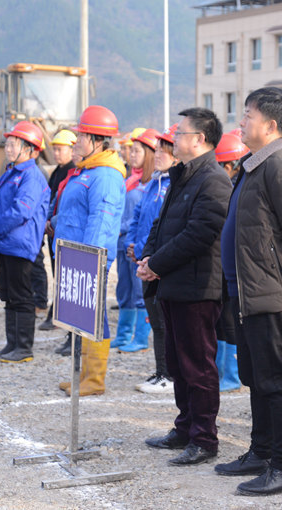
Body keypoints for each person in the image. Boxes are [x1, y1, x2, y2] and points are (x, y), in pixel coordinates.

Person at [211, 87, 282, 495]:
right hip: (249, 290)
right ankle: (260, 451)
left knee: (276, 380)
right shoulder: (254, 165)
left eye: (247, 116)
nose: (241, 123)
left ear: (271, 126)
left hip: (271, 292)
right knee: (256, 377)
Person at [137, 107, 231, 467]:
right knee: (177, 363)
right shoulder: (182, 176)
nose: (173, 139)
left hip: (197, 287)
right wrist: (148, 258)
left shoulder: (213, 180)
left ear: (200, 139)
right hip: (173, 283)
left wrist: (157, 265)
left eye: (179, 133)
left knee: (198, 365)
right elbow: (162, 225)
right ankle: (185, 427)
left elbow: (200, 234)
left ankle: (204, 438)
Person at [53, 105, 126, 396]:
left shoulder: (105, 175)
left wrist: (90, 258)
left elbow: (101, 218)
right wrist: (54, 223)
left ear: (97, 140)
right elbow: (76, 211)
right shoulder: (87, 171)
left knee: (94, 315)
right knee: (79, 313)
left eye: (82, 135)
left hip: (88, 257)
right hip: (73, 253)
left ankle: (94, 380)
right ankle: (82, 375)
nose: (77, 140)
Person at [0, 122, 50, 363]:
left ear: (29, 149)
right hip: (2, 243)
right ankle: (12, 343)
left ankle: (24, 347)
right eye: (7, 143)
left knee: (21, 295)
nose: (8, 148)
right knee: (7, 294)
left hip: (19, 245)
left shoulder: (31, 176)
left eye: (13, 144)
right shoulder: (10, 172)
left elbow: (21, 211)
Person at [127, 125, 177, 394]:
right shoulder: (152, 183)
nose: (157, 155)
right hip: (146, 260)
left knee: (164, 322)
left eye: (163, 150)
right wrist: (132, 244)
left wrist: (155, 259)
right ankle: (160, 371)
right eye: (156, 150)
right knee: (155, 322)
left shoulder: (172, 186)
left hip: (161, 264)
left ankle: (169, 374)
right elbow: (137, 217)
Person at [110, 127, 156, 352]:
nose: (132, 155)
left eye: (137, 151)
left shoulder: (152, 185)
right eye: (131, 151)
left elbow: (144, 217)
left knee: (140, 292)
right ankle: (124, 333)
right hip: (122, 244)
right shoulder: (130, 181)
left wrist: (123, 229)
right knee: (125, 289)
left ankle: (140, 337)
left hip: (136, 245)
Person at [213, 131, 249, 393]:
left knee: (229, 319)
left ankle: (232, 374)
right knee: (222, 319)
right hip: (222, 263)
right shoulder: (230, 186)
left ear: (230, 165)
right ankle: (221, 370)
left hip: (236, 267)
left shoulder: (234, 187)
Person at [41, 129, 77, 337]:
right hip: (53, 230)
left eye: (60, 149)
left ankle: (61, 314)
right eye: (54, 149)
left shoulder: (71, 171)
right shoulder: (57, 171)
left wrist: (52, 222)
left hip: (61, 230)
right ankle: (58, 312)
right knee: (57, 273)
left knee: (64, 275)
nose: (56, 153)